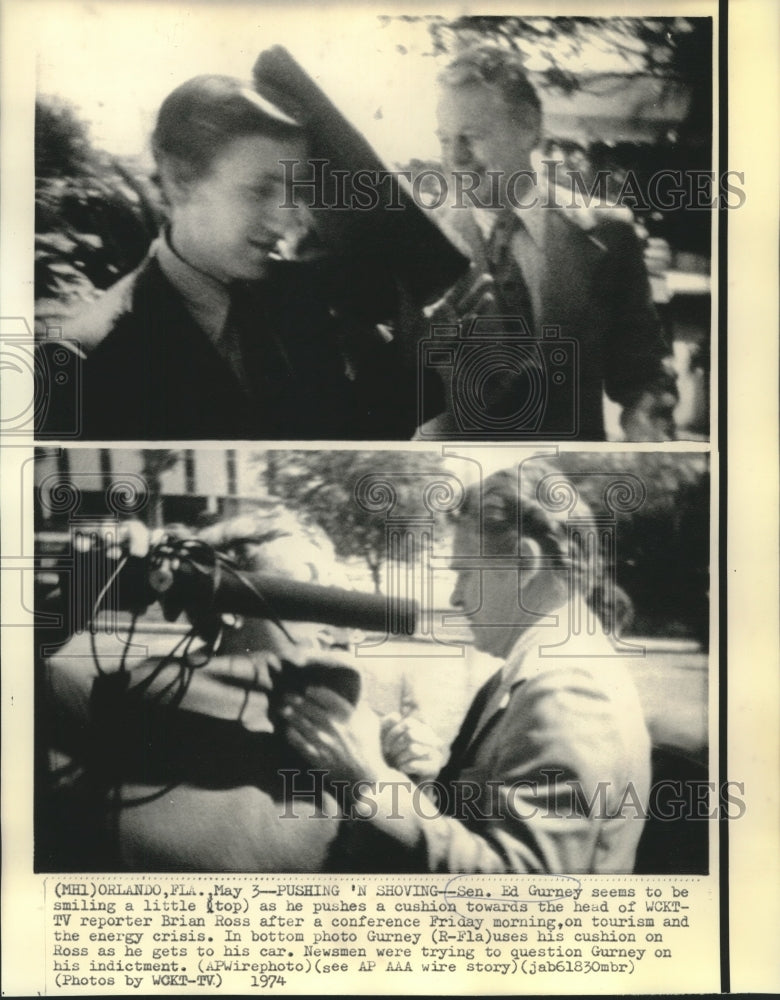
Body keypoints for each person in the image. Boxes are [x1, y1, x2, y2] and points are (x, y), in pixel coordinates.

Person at [281, 462, 652, 873]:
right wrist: (420, 779)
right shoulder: (539, 670)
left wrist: (369, 779)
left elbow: (527, 889)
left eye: (466, 574)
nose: (456, 598)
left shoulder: (567, 691)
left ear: (523, 564)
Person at [36, 75, 416, 440]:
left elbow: (349, 430)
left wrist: (419, 358)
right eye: (259, 191)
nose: (286, 219)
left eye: (294, 190)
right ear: (180, 181)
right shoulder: (82, 363)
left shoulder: (305, 297)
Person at [417, 45, 678, 442]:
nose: (455, 157)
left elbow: (642, 372)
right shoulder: (420, 239)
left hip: (566, 470)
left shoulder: (608, 233)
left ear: (530, 129)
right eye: (444, 139)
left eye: (471, 137)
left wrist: (646, 418)